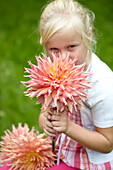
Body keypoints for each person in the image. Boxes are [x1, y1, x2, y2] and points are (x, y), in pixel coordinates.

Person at [39, 0, 113, 169]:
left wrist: (68, 127)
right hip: (63, 152)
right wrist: (47, 122)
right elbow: (44, 113)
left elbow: (108, 143)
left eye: (71, 47)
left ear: (89, 35)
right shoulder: (54, 71)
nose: (63, 58)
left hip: (90, 162)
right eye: (54, 50)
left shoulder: (102, 85)